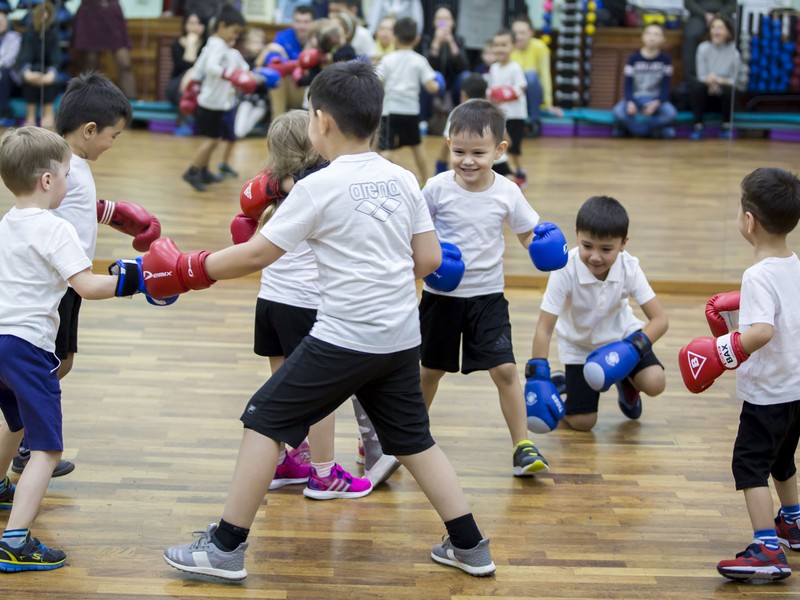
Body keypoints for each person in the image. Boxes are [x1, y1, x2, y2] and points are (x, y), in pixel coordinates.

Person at [132, 60, 495, 581]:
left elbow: (258, 254)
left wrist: (189, 270)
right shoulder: (402, 179)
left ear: (321, 121)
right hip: (399, 338)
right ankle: (470, 546)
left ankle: (225, 548)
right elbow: (429, 260)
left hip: (346, 337)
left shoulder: (317, 187)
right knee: (415, 439)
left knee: (264, 419)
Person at [0, 126, 166, 572]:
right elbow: (89, 286)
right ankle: (14, 542)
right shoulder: (55, 229)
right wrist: (140, 280)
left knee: (15, 418)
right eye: (68, 174)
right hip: (26, 347)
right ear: (48, 181)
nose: (72, 183)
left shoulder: (7, 222)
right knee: (46, 449)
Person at [231, 110, 399, 490]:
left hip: (270, 301)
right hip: (307, 304)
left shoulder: (270, 191)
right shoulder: (321, 187)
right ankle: (323, 474)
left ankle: (286, 462)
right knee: (322, 397)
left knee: (282, 391)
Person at [11, 72, 160, 478]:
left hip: (63, 279)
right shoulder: (68, 168)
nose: (113, 144)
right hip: (61, 281)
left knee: (61, 361)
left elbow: (72, 205)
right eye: (113, 136)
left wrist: (113, 214)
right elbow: (52, 212)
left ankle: (23, 430)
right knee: (52, 362)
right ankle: (28, 441)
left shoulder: (64, 162)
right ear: (90, 129)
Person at [420, 97, 569, 478]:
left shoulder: (507, 191)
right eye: (459, 151)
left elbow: (525, 234)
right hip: (441, 298)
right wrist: (428, 263)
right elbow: (415, 234)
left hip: (487, 297)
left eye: (478, 152)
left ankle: (523, 445)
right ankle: (410, 439)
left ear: (500, 150)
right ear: (448, 144)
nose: (467, 161)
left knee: (505, 371)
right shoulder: (436, 188)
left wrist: (541, 245)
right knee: (428, 373)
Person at [677, 168, 800, 582]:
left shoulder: (757, 275)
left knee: (749, 466)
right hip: (795, 390)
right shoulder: (793, 265)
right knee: (782, 460)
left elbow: (762, 331)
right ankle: (794, 522)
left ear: (749, 222)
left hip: (768, 395)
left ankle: (766, 547)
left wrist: (722, 351)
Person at [529, 196, 668, 432]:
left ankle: (626, 381)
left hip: (623, 339)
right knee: (583, 423)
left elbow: (660, 320)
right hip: (580, 348)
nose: (595, 256)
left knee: (656, 382)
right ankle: (563, 385)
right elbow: (544, 328)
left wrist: (630, 349)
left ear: (623, 243)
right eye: (587, 246)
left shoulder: (629, 266)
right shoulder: (564, 268)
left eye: (606, 249)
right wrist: (537, 376)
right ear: (577, 236)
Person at [181, 4, 259, 192]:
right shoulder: (217, 45)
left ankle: (204, 170)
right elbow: (211, 68)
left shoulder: (220, 45)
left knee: (213, 139)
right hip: (210, 103)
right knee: (211, 140)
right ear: (222, 26)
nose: (235, 36)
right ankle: (192, 171)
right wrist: (230, 74)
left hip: (216, 102)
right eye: (234, 31)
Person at [376, 17, 441, 185]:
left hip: (390, 110)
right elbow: (431, 87)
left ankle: (374, 179)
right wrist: (437, 83)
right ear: (417, 39)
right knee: (417, 147)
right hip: (410, 111)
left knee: (386, 149)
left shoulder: (388, 59)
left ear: (394, 37)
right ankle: (426, 181)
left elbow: (377, 81)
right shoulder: (419, 60)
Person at [434, 73, 512, 182]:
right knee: (507, 179)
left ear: (463, 95)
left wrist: (440, 168)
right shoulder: (493, 113)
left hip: (470, 169)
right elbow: (508, 140)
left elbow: (445, 145)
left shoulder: (458, 113)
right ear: (486, 94)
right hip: (499, 163)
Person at [611, 23, 677, 139]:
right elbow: (627, 85)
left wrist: (656, 103)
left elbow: (665, 87)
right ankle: (652, 132)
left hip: (655, 99)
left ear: (663, 39)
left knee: (670, 113)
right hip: (636, 97)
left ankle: (632, 130)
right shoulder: (633, 58)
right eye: (649, 33)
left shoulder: (665, 60)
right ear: (643, 37)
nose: (652, 37)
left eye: (656, 34)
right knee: (618, 112)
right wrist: (630, 101)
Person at [71, 0, 137, 99]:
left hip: (111, 11)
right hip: (90, 11)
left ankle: (132, 101)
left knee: (124, 63)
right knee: (90, 61)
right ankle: (86, 99)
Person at [486, 29, 527, 188]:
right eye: (496, 45)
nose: (500, 49)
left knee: (514, 147)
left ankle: (520, 172)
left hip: (515, 114)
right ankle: (504, 172)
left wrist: (506, 93)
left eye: (504, 45)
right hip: (499, 115)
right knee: (500, 144)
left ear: (513, 47)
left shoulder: (515, 67)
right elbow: (490, 89)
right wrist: (492, 94)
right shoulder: (494, 68)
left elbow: (522, 88)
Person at [509, 15, 563, 136]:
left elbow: (545, 75)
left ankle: (535, 120)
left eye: (522, 33)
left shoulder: (539, 47)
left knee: (531, 76)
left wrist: (548, 103)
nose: (518, 37)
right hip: (514, 95)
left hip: (533, 93)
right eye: (515, 33)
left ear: (531, 33)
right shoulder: (509, 47)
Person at [256, 5, 313, 118]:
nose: (302, 26)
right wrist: (297, 64)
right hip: (291, 87)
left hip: (312, 89)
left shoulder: (318, 37)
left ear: (313, 22)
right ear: (292, 22)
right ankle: (277, 126)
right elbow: (273, 63)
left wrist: (287, 59)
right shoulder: (283, 36)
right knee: (276, 76)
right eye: (298, 21)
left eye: (306, 22)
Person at [688, 15, 739, 141]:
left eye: (720, 28)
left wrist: (719, 81)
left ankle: (726, 127)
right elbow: (701, 76)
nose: (716, 31)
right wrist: (710, 82)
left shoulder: (734, 52)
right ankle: (698, 126)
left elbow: (736, 81)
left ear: (728, 31)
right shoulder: (703, 48)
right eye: (713, 27)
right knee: (696, 87)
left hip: (723, 91)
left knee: (730, 91)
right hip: (707, 89)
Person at [418, 6, 470, 125]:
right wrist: (436, 43)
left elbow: (464, 68)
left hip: (454, 85)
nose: (443, 22)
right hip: (435, 84)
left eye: (447, 19)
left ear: (453, 22)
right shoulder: (427, 39)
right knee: (428, 78)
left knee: (466, 76)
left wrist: (451, 43)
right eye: (440, 19)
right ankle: (422, 121)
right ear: (434, 22)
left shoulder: (458, 39)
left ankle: (465, 120)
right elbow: (425, 68)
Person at [17, 1, 61, 129]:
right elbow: (25, 56)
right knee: (34, 72)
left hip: (48, 72)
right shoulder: (29, 33)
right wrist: (28, 73)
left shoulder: (53, 33)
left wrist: (51, 74)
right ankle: (30, 115)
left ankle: (48, 114)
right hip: (31, 73)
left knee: (46, 74)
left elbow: (56, 57)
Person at [166, 12, 207, 137]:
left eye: (199, 23)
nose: (195, 27)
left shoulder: (208, 45)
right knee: (191, 72)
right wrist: (190, 46)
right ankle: (181, 122)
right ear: (185, 25)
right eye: (191, 23)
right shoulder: (177, 44)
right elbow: (183, 67)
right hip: (176, 88)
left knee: (194, 73)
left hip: (201, 88)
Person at [681, 0, 736, 82]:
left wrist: (718, 15)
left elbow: (733, 4)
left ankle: (729, 79)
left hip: (723, 14)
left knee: (732, 32)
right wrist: (704, 14)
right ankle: (690, 80)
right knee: (691, 34)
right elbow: (688, 3)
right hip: (698, 14)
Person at [0, 10, 21, 124]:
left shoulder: (14, 37)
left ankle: (5, 112)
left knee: (2, 71)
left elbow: (9, 60)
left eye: (2, 21)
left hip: (12, 80)